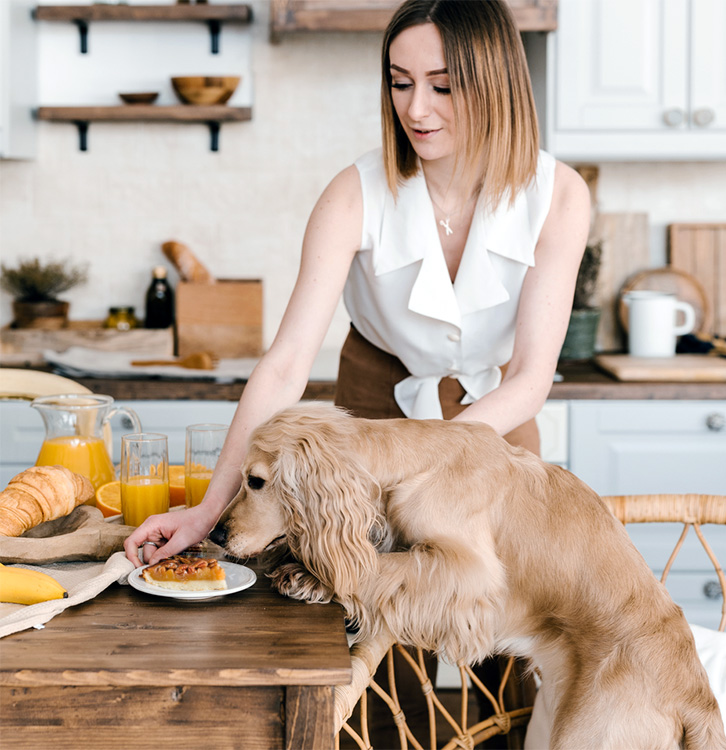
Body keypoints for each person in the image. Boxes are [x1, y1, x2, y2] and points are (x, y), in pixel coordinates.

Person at [125, 0, 589, 744]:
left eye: (443, 85)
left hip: (495, 415)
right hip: (374, 406)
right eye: (400, 82)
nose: (416, 107)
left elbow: (531, 375)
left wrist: (432, 463)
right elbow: (283, 368)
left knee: (506, 619)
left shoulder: (558, 194)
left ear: (496, 80)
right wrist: (209, 510)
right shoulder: (355, 192)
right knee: (363, 618)